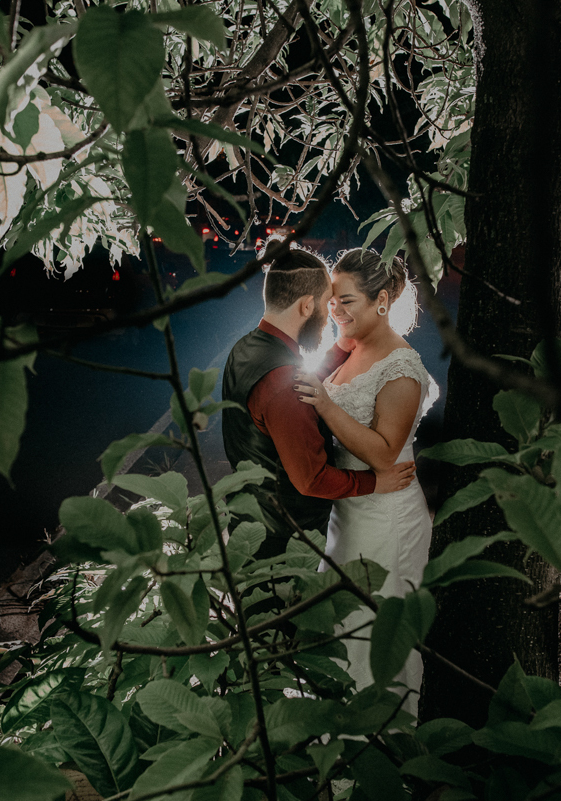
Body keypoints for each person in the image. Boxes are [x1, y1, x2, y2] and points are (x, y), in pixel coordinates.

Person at [294, 248, 438, 716]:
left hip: (386, 514)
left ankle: (381, 733)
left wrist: (325, 404)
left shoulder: (402, 367)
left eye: (347, 301)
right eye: (332, 300)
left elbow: (383, 453)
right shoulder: (351, 347)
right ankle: (336, 728)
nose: (335, 309)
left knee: (372, 630)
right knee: (340, 622)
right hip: (349, 511)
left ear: (381, 301)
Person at [221, 245, 417, 560]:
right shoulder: (283, 382)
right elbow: (312, 480)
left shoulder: (246, 349)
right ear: (307, 306)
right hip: (286, 546)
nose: (330, 316)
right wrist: (375, 482)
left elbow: (297, 387)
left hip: (250, 525)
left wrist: (339, 350)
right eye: (328, 303)